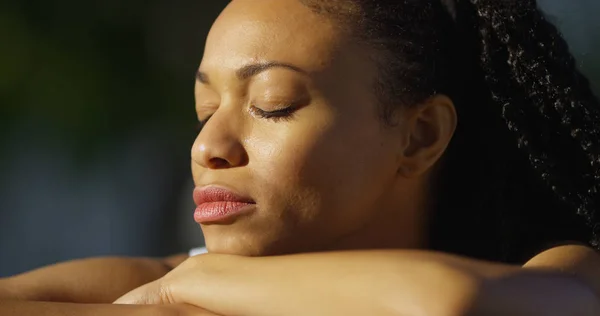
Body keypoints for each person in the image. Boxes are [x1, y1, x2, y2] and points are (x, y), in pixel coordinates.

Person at [2, 0, 600, 315]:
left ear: (419, 136)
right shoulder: (170, 281)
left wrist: (190, 295)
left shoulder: (564, 273)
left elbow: (450, 304)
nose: (207, 147)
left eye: (273, 104)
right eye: (205, 110)